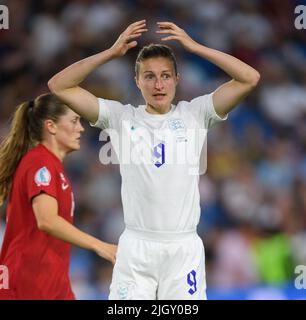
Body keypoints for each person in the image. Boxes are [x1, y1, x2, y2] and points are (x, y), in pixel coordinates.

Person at [48, 20, 260, 300]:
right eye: (149, 76)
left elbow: (249, 78)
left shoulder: (195, 114)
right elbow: (59, 85)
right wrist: (110, 53)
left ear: (177, 79)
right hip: (137, 247)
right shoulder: (121, 117)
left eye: (165, 76)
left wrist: (195, 47)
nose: (158, 84)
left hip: (183, 249)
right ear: (137, 81)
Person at [0, 93, 117, 300]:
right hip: (28, 282)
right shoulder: (39, 163)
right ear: (51, 126)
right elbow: (47, 220)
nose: (81, 128)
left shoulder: (54, 167)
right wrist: (100, 246)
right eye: (74, 121)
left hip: (52, 281)